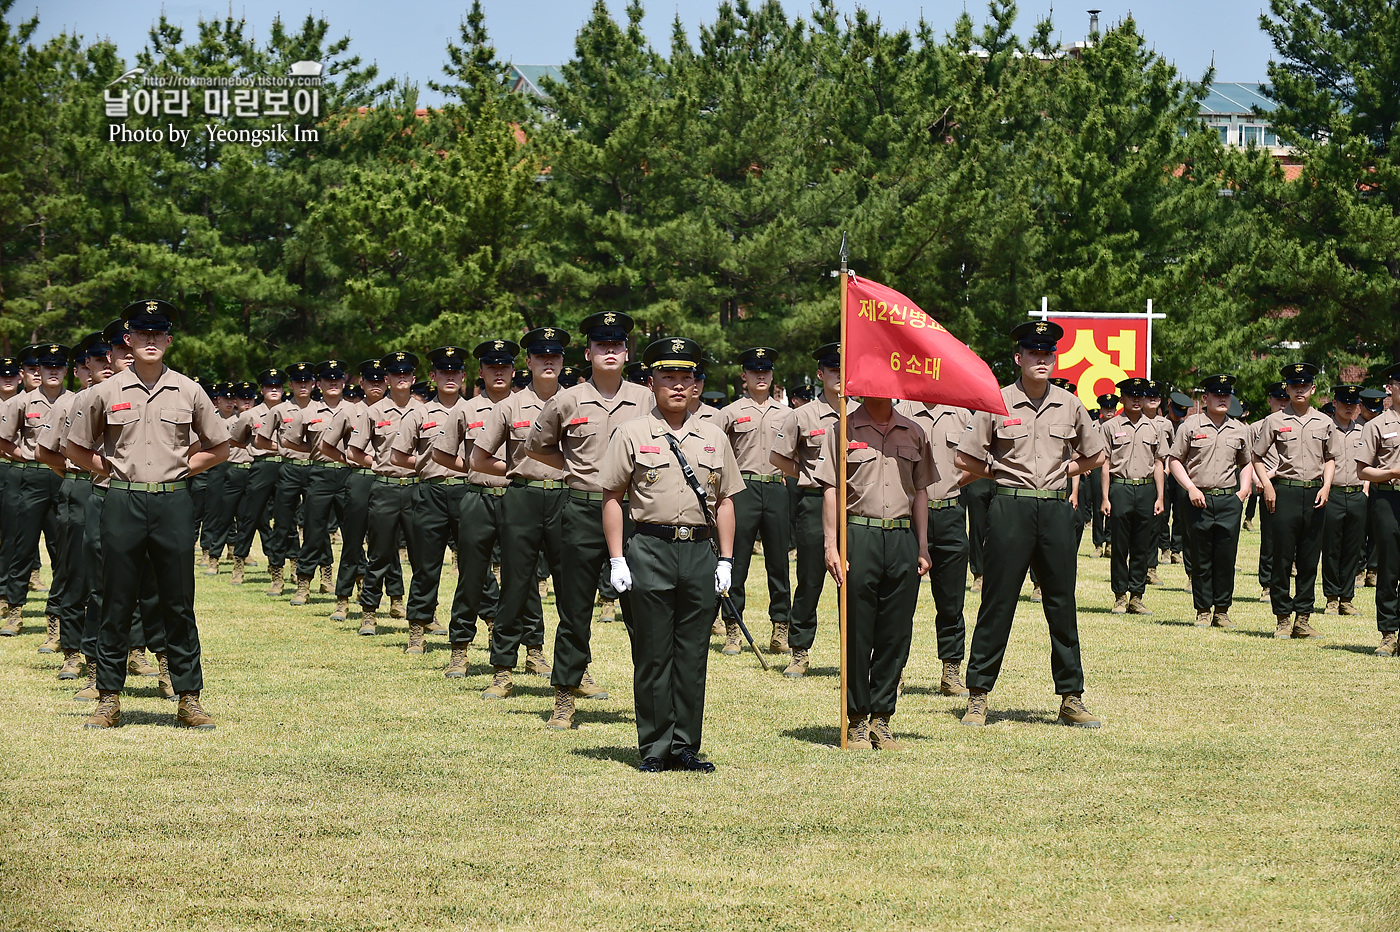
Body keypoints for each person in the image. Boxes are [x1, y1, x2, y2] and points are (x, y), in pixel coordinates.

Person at [66, 299, 230, 729]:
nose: (151, 339)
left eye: (158, 333)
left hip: (173, 501)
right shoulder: (105, 391)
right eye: (142, 333)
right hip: (121, 501)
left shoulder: (189, 390)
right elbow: (75, 447)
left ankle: (188, 697)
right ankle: (108, 698)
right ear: (128, 339)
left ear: (169, 340)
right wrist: (113, 473)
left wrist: (183, 470)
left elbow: (219, 445)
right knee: (116, 599)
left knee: (178, 601)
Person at [954, 320, 1106, 728]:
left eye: (1048, 353)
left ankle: (1071, 698)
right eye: (1033, 352)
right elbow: (965, 458)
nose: (1042, 358)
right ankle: (978, 696)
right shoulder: (997, 401)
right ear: (1018, 358)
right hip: (1010, 509)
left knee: (1061, 603)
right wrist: (1003, 473)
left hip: (1057, 510)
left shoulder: (1070, 404)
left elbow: (1094, 455)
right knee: (997, 602)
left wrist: (1064, 470)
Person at [600, 337, 742, 772]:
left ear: (697, 384)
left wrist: (726, 561)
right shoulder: (632, 432)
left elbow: (726, 501)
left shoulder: (715, 437)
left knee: (693, 653)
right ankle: (655, 747)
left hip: (700, 551)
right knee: (653, 652)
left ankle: (685, 746)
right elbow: (612, 496)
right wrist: (617, 559)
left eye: (687, 378)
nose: (678, 386)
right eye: (669, 378)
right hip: (649, 548)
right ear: (651, 382)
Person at [525, 313, 652, 729]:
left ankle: (648, 699)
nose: (610, 352)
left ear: (627, 353)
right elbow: (538, 446)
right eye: (602, 345)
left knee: (642, 609)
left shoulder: (646, 400)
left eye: (617, 345)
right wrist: (575, 469)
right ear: (588, 353)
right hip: (581, 508)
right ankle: (565, 694)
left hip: (635, 512)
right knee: (574, 607)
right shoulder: (567, 400)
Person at [816, 388, 935, 748]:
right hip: (859, 536)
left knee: (895, 634)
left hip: (901, 539)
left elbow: (921, 492)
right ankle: (855, 719)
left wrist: (923, 545)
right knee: (857, 630)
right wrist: (831, 545)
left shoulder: (914, 432)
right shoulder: (843, 429)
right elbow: (831, 489)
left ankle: (881, 718)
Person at [431, 339, 544, 676]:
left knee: (524, 576)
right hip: (478, 499)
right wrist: (475, 468)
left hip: (518, 500)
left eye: (505, 366)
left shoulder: (530, 407)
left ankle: (534, 650)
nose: (499, 372)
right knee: (471, 575)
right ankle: (460, 648)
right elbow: (439, 453)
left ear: (514, 370)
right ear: (480, 372)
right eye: (492, 367)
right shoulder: (464, 410)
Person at [471, 328, 571, 698]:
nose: (548, 362)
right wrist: (514, 470)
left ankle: (577, 669)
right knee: (516, 584)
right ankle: (502, 670)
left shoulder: (579, 402)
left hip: (567, 499)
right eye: (541, 356)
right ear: (527, 363)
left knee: (571, 588)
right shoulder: (508, 406)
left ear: (563, 362)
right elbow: (479, 458)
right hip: (523, 498)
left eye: (555, 356)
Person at [390, 347, 473, 653]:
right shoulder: (419, 413)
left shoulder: (478, 409)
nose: (449, 377)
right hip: (432, 492)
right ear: (433, 376)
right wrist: (426, 466)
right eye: (443, 372)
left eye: (455, 372)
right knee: (426, 565)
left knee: (475, 565)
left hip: (467, 492)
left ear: (463, 377)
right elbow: (398, 454)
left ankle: (490, 623)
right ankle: (418, 627)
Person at [770, 344, 842, 678]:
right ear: (821, 374)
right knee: (810, 580)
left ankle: (855, 652)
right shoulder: (803, 415)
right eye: (833, 369)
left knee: (856, 582)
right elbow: (778, 456)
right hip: (813, 503)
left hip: (854, 505)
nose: (840, 375)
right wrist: (807, 476)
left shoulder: (862, 412)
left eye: (845, 368)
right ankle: (800, 651)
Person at [1252, 362, 1338, 639]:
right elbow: (1256, 457)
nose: (1299, 390)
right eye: (1294, 386)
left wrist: (1326, 487)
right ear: (1286, 389)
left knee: (1310, 558)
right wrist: (1267, 485)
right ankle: (1282, 619)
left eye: (1304, 386)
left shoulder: (1325, 422)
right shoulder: (1274, 421)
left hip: (1315, 493)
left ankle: (1303, 618)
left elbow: (1330, 458)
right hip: (1284, 492)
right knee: (1282, 557)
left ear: (1313, 388)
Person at [896, 395, 974, 698]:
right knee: (900, 601)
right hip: (909, 515)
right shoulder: (900, 411)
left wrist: (952, 484)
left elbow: (978, 460)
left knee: (952, 601)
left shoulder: (961, 414)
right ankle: (896, 670)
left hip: (950, 513)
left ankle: (951, 670)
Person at [717, 347, 792, 655]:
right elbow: (715, 452)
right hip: (742, 489)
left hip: (776, 488)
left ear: (772, 375)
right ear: (744, 376)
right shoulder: (730, 412)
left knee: (779, 562)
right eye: (754, 371)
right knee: (736, 560)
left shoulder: (788, 415)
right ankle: (733, 629)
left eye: (766, 371)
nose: (760, 376)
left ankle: (780, 628)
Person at [1167, 374, 1253, 627]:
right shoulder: (1191, 425)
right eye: (1217, 394)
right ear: (1206, 398)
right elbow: (1174, 460)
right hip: (1197, 500)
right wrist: (1191, 488)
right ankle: (1203, 609)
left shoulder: (1239, 428)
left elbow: (1246, 462)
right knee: (1200, 558)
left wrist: (1243, 491)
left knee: (1226, 558)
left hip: (1228, 500)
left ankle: (1222, 611)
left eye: (1226, 394)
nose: (1222, 399)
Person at [0, 342, 69, 637]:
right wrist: (28, 456)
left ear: (66, 370)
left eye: (58, 367)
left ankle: (60, 617)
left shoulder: (77, 400)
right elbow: (4, 440)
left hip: (64, 480)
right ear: (37, 370)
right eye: (47, 367)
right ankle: (14, 611)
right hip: (33, 478)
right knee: (22, 546)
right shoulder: (21, 402)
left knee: (63, 550)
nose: (53, 371)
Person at [347, 351, 418, 634]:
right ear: (387, 379)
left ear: (413, 378)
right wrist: (378, 463)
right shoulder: (373, 412)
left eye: (406, 374)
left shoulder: (424, 411)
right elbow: (354, 451)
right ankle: (368, 612)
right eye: (395, 374)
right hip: (385, 488)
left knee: (422, 556)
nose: (401, 379)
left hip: (416, 488)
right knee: (379, 553)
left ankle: (424, 613)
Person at [281, 360, 352, 607]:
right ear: (318, 384)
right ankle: (303, 584)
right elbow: (289, 441)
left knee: (353, 532)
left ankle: (356, 581)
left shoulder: (357, 411)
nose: (333, 383)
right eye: (327, 379)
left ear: (345, 381)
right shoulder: (306, 413)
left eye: (338, 379)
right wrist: (312, 450)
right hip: (319, 474)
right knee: (313, 530)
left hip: (348, 475)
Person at [1099, 377, 1165, 615]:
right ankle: (1119, 595)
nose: (1137, 400)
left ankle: (1137, 596)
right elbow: (1105, 463)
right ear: (1123, 398)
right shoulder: (1110, 427)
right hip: (1121, 487)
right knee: (1119, 544)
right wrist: (1105, 497)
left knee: (1142, 544)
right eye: (1131, 395)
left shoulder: (1156, 427)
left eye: (1141, 396)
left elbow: (1159, 463)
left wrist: (1160, 497)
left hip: (1146, 488)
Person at [255, 362, 316, 596]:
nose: (303, 385)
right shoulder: (279, 410)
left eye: (307, 381)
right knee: (282, 523)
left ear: (313, 384)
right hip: (289, 469)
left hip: (314, 469)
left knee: (314, 524)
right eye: (298, 382)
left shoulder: (322, 409)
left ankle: (321, 572)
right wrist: (281, 448)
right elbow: (260, 440)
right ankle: (277, 574)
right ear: (290, 385)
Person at [227, 368, 286, 586]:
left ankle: (286, 564)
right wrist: (253, 447)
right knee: (250, 516)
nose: (273, 389)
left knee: (285, 518)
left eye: (277, 386)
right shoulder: (250, 414)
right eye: (269, 386)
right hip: (261, 466)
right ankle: (239, 563)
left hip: (286, 468)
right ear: (261, 390)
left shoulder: (293, 411)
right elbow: (234, 440)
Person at [1356, 364, 1400, 656]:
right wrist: (1393, 472)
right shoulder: (1377, 425)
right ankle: (1388, 633)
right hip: (1388, 500)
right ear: (1391, 388)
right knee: (1389, 568)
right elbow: (1362, 471)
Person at [202, 380, 257, 577]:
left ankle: (240, 556)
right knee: (221, 516)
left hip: (249, 470)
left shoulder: (249, 419)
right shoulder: (215, 419)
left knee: (245, 517)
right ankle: (213, 557)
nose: (231, 402)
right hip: (226, 469)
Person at [1322, 384, 1367, 616]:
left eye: (1354, 404)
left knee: (1352, 548)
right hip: (1334, 493)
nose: (1350, 407)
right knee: (1331, 548)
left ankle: (1346, 598)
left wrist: (1366, 487)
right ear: (1335, 403)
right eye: (1345, 403)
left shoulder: (1364, 431)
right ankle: (1331, 597)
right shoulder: (1325, 429)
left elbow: (1371, 461)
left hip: (1357, 494)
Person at [1252, 382, 1290, 601]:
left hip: (1288, 483)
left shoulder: (1295, 424)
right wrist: (1260, 480)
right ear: (1270, 401)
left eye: (1286, 399)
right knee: (1269, 538)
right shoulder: (1257, 427)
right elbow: (1250, 458)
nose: (1283, 403)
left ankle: (1283, 580)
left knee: (1289, 537)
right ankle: (1267, 584)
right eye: (1279, 399)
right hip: (1267, 485)